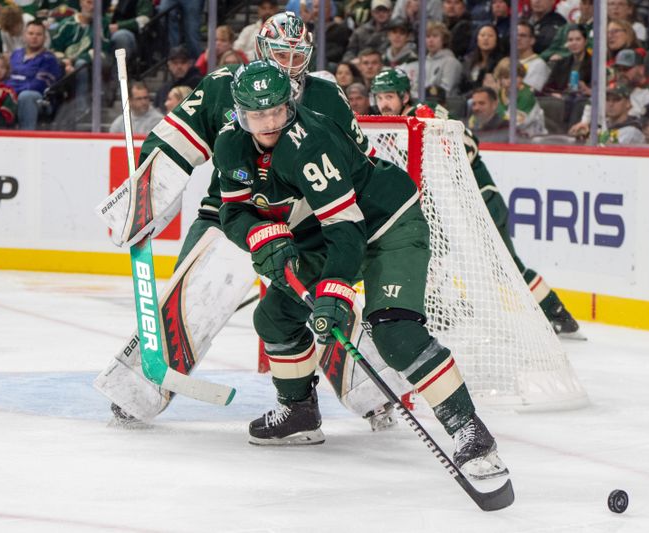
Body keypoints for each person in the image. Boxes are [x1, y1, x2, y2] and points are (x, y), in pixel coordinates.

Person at [213, 60, 508, 482]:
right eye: (256, 116)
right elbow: (234, 210)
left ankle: (469, 430)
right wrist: (261, 236)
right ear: (240, 114)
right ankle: (299, 412)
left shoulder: (310, 142)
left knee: (393, 330)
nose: (268, 125)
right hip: (322, 230)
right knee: (274, 317)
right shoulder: (229, 144)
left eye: (276, 112)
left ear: (290, 105)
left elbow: (347, 229)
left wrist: (334, 294)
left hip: (385, 221)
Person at [107, 12, 397, 432]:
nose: (288, 66)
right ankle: (136, 391)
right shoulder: (225, 85)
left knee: (325, 302)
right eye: (280, 53)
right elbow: (173, 143)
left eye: (297, 57)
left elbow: (359, 165)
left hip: (304, 222)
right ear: (261, 49)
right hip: (232, 214)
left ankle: (372, 393)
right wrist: (144, 199)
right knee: (193, 297)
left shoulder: (327, 94)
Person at [369, 67, 580, 335]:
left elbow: (468, 145)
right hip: (449, 207)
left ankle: (556, 311)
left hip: (480, 199)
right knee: (429, 252)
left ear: (404, 95)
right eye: (379, 97)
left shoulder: (427, 112)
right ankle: (436, 306)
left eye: (389, 96)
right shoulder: (392, 127)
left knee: (507, 268)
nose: (383, 104)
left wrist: (437, 142)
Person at [7, 19, 63, 130]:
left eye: (38, 34)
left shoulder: (49, 59)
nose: (34, 37)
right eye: (31, 33)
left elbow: (38, 85)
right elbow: (5, 77)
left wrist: (11, 91)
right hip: (12, 94)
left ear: (45, 38)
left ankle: (26, 136)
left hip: (40, 100)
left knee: (27, 95)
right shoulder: (15, 54)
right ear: (24, 36)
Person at [401, 21, 462, 98]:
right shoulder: (421, 62)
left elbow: (446, 91)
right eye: (428, 36)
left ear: (444, 39)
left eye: (435, 36)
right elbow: (414, 87)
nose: (431, 40)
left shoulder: (451, 62)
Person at [569, 83, 645, 144]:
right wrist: (578, 133)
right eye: (607, 100)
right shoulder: (603, 124)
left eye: (616, 100)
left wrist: (589, 135)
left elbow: (612, 148)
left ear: (628, 103)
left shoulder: (632, 130)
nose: (611, 104)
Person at [493, 58, 548, 137]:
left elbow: (516, 122)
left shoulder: (526, 95)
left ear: (522, 77)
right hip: (508, 135)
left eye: (514, 77)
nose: (510, 81)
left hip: (532, 136)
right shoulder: (500, 93)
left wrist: (497, 110)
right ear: (500, 79)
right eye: (506, 77)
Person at [153, 45, 202, 112]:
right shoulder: (163, 89)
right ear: (169, 65)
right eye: (175, 63)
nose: (179, 66)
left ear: (189, 64)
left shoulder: (199, 84)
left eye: (183, 62)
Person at [460, 23, 504, 95]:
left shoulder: (501, 63)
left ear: (497, 40)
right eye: (482, 35)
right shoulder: (468, 61)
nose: (486, 38)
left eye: (490, 36)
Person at [516, 20, 551, 92]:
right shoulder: (509, 62)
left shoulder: (538, 65)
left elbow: (528, 94)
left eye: (523, 35)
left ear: (532, 40)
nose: (518, 38)